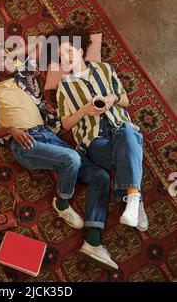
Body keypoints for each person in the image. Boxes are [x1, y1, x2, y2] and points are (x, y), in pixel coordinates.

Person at [0, 43, 119, 270]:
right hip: (24, 142)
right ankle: (61, 203)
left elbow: (41, 48)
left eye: (8, 56)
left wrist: (14, 55)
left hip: (48, 135)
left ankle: (93, 241)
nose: (9, 61)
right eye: (2, 59)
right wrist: (10, 130)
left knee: (101, 176)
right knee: (71, 158)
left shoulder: (24, 73)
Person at [55, 26, 149, 234]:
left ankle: (132, 199)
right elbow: (66, 124)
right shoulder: (64, 87)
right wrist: (84, 110)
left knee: (126, 133)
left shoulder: (105, 69)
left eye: (69, 51)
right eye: (61, 56)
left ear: (80, 50)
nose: (66, 58)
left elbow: (124, 100)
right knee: (130, 147)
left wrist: (111, 99)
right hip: (95, 141)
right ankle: (136, 198)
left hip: (120, 128)